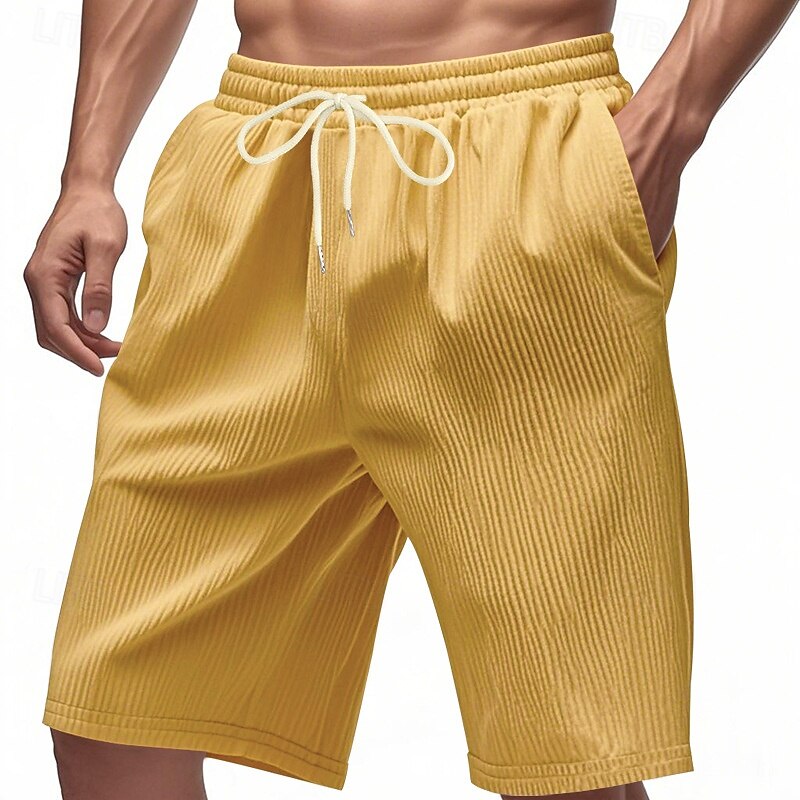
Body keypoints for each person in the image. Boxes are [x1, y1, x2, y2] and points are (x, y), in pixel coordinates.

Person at [24, 1, 798, 798]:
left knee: (566, 762)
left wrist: (673, 119)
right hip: (259, 163)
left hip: (516, 169)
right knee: (112, 713)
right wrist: (88, 173)